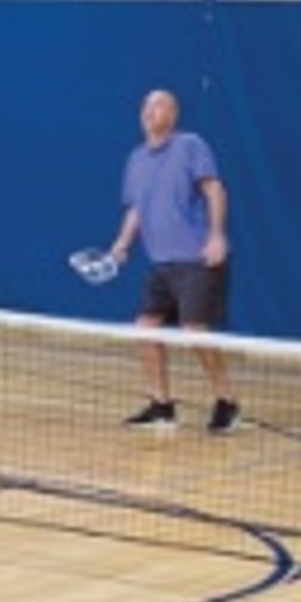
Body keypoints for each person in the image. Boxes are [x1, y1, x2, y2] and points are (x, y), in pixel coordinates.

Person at [110, 90, 240, 434]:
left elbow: (215, 190)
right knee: (145, 328)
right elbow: (136, 210)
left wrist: (216, 236)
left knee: (195, 332)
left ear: (174, 113)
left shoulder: (190, 145)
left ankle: (226, 400)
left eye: (160, 105)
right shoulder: (136, 159)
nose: (151, 111)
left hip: (195, 258)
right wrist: (121, 245)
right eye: (147, 105)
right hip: (160, 262)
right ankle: (161, 406)